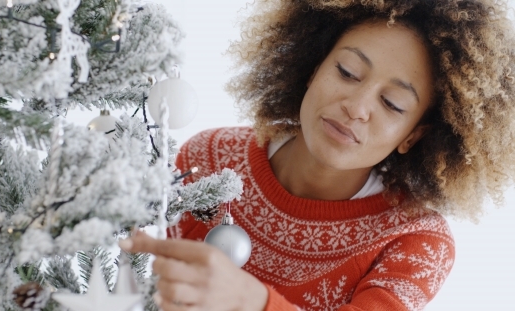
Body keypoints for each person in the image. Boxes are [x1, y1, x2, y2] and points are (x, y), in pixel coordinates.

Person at [119, 0, 515, 310]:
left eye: (392, 104)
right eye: (346, 71)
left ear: (413, 135)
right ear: (313, 69)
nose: (357, 106)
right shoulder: (208, 157)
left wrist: (254, 303)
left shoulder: (416, 240)